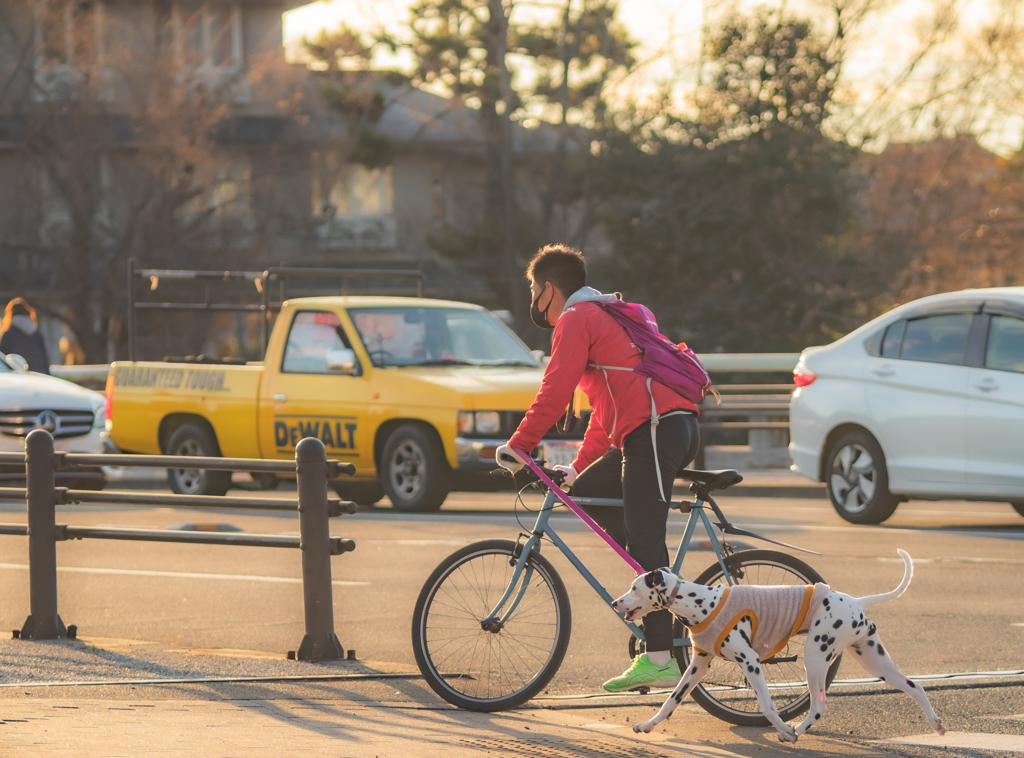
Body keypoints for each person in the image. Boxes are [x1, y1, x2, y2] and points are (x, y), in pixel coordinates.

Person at [496, 244, 701, 692]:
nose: (533, 300)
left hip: (655, 429)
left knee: (644, 537)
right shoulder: (612, 312)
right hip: (665, 427)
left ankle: (661, 655)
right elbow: (607, 414)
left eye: (533, 290)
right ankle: (664, 589)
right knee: (592, 498)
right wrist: (577, 467)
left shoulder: (576, 318)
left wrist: (519, 445)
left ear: (549, 289)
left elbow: (554, 390)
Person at [0, 298, 51, 374]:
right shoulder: (37, 333)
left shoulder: (9, 334)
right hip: (40, 374)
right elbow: (45, 360)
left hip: (19, 376)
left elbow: (3, 360)